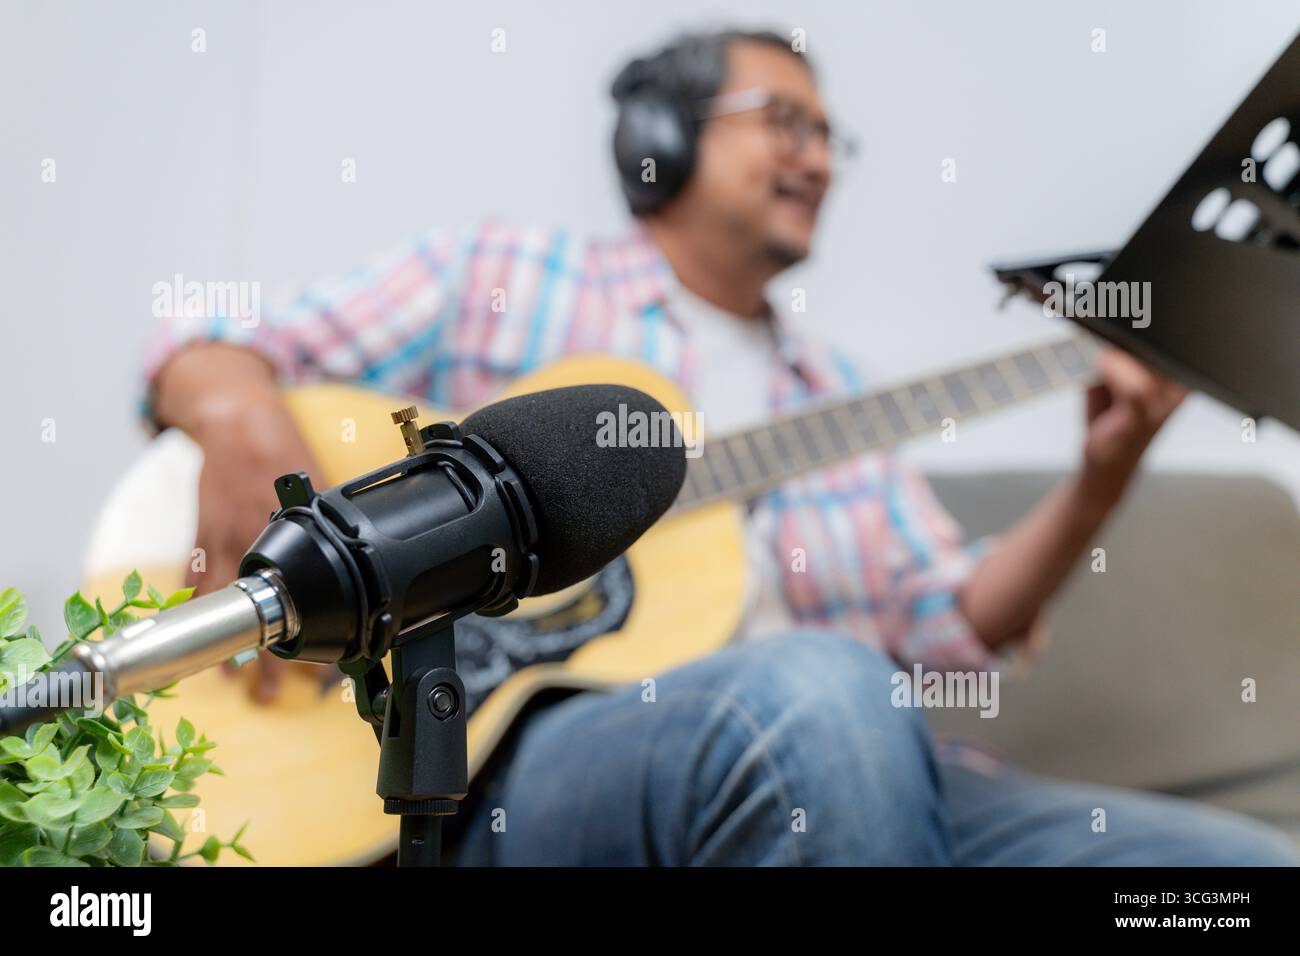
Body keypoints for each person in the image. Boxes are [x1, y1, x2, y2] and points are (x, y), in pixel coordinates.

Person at [143, 29, 1298, 865]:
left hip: (863, 765)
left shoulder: (835, 395)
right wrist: (246, 420)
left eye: (828, 133)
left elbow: (951, 624)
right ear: (661, 136)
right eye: (781, 121)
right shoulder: (507, 278)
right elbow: (201, 351)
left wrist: (1102, 477)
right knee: (827, 691)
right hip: (526, 757)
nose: (819, 157)